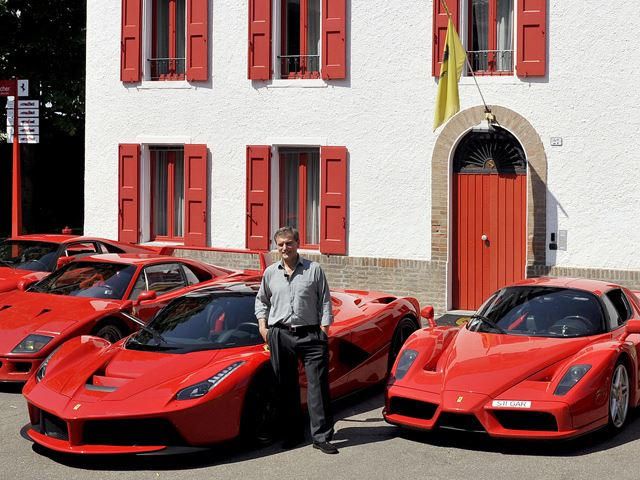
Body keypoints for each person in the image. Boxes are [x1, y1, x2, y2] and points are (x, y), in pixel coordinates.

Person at [255, 226, 338, 454]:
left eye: (289, 243)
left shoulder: (314, 270)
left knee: (317, 387)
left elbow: (324, 301)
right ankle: (292, 434)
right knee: (286, 388)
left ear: (298, 243)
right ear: (276, 246)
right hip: (280, 334)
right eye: (280, 244)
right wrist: (264, 328)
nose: (284, 248)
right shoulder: (270, 273)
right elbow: (261, 300)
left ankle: (321, 436)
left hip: (311, 334)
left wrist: (323, 329)